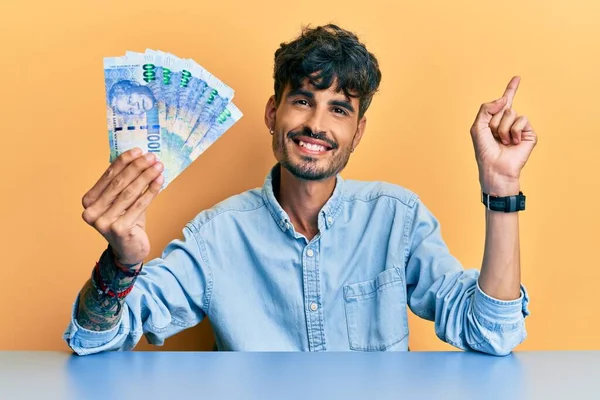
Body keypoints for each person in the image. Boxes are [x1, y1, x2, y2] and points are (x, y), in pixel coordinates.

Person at [64, 24, 536, 355]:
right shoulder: (215, 239)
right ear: (274, 113)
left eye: (338, 109)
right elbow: (93, 338)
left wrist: (502, 189)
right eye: (303, 101)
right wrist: (121, 264)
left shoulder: (397, 219)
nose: (315, 124)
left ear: (358, 131)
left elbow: (491, 332)